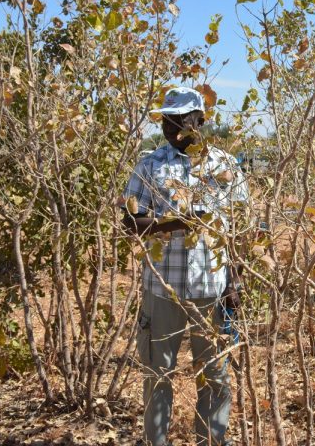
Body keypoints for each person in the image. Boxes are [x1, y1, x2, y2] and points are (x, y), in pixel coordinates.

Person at [122, 87, 249, 446]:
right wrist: (176, 223)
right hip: (162, 291)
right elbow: (129, 223)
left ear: (200, 121)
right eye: (166, 120)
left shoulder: (226, 167)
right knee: (156, 375)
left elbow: (239, 229)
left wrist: (234, 282)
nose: (170, 127)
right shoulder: (149, 165)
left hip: (213, 290)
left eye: (179, 120)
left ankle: (210, 441)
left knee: (215, 379)